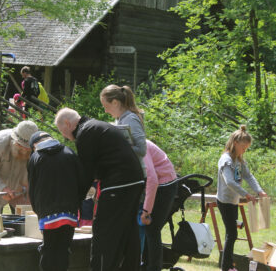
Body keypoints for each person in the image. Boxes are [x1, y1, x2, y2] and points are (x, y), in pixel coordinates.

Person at [54, 108, 145, 271]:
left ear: (68, 124)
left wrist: (75, 200)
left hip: (119, 183)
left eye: (63, 132)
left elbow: (86, 173)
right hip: (135, 180)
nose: (64, 137)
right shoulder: (97, 126)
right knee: (128, 230)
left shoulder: (84, 134)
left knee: (103, 231)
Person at [27, 131, 84, 271]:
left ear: (35, 145)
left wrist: (37, 210)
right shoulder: (69, 152)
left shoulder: (36, 157)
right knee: (64, 250)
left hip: (47, 213)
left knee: (48, 250)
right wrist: (77, 204)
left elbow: (32, 188)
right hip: (70, 211)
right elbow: (81, 182)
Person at [216, 126, 266, 271]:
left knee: (232, 233)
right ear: (235, 143)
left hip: (233, 201)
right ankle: (226, 267)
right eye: (243, 147)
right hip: (225, 201)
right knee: (232, 234)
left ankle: (228, 265)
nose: (245, 150)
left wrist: (259, 191)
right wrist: (246, 194)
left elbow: (248, 176)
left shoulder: (238, 160)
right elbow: (229, 182)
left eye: (247, 148)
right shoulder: (226, 159)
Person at [0, 120, 39, 210]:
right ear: (15, 140)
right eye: (21, 146)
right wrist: (2, 188)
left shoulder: (39, 148)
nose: (24, 150)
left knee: (24, 221)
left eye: (27, 148)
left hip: (20, 191)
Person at [141, 140, 178, 271]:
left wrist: (146, 210)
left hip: (165, 184)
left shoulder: (141, 147)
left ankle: (154, 267)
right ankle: (145, 264)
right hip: (158, 183)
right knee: (147, 229)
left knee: (152, 228)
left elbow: (152, 179)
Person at [100, 84, 147, 176]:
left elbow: (142, 150)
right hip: (125, 173)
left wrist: (119, 145)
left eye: (105, 106)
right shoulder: (118, 119)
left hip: (135, 175)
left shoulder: (131, 119)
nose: (105, 111)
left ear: (115, 103)